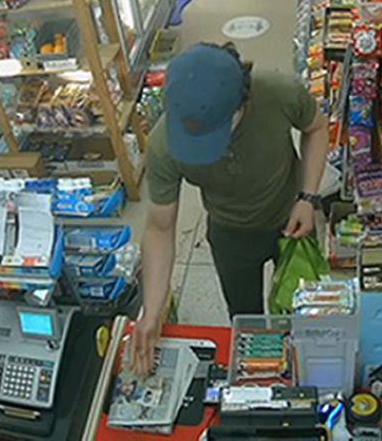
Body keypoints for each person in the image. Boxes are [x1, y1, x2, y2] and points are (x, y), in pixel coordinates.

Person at [131, 42, 328, 375]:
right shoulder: (164, 144)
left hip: (293, 222)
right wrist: (151, 312)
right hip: (229, 234)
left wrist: (308, 198)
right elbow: (160, 227)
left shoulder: (279, 93)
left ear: (244, 101)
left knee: (305, 316)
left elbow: (317, 128)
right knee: (245, 319)